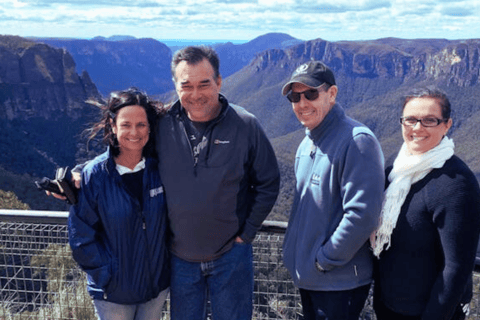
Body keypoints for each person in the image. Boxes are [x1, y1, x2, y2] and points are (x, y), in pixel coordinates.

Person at [155, 45, 280, 320]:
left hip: (230, 257)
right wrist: (82, 172)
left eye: (204, 84)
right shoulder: (160, 124)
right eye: (186, 85)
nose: (196, 94)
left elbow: (268, 182)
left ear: (219, 82)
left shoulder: (245, 125)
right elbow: (125, 146)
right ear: (175, 86)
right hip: (179, 258)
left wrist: (245, 234)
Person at [281, 61, 385, 320]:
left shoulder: (357, 141)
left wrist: (324, 260)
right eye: (295, 96)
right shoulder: (307, 144)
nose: (302, 103)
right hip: (311, 278)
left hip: (338, 283)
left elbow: (362, 215)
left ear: (332, 94)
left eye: (311, 93)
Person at [371, 87, 480, 320]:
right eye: (410, 120)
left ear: (447, 124)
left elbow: (457, 268)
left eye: (429, 120)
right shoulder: (396, 166)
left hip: (428, 312)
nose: (418, 128)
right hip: (388, 306)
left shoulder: (456, 184)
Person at [68, 88, 170, 320]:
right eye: (126, 125)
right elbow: (81, 237)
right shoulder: (94, 175)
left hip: (156, 288)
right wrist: (107, 276)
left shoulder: (161, 169)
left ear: (150, 127)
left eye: (141, 124)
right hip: (113, 295)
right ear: (113, 127)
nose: (134, 132)